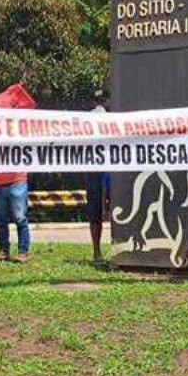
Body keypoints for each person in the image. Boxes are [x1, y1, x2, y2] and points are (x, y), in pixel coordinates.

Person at [84, 89, 110, 266]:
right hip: (105, 170)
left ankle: (97, 252)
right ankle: (100, 251)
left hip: (98, 170)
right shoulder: (112, 118)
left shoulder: (86, 120)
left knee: (96, 214)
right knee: (109, 211)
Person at [0, 168, 30, 263]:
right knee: (0, 218)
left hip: (18, 182)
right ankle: (3, 251)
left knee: (20, 218)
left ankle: (23, 252)